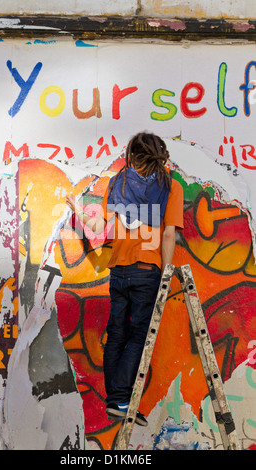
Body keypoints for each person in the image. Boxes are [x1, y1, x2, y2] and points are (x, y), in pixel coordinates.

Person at [66, 132, 183, 427]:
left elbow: (101, 227)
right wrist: (166, 273)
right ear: (160, 152)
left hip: (118, 270)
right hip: (147, 270)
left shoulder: (118, 181)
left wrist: (78, 211)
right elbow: (168, 234)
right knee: (138, 336)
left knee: (117, 335)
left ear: (133, 153)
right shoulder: (170, 185)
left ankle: (117, 401)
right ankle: (120, 400)